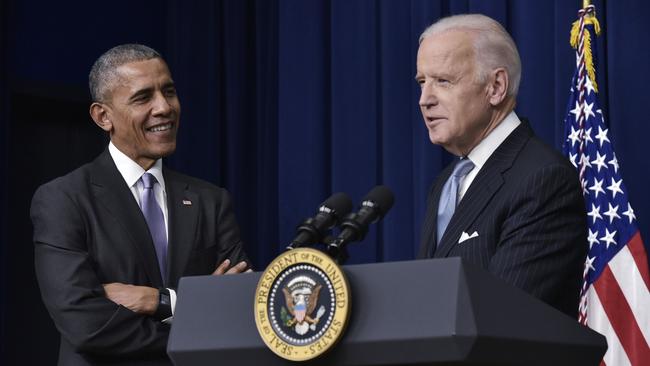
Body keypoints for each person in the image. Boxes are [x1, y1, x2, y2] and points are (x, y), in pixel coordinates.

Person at [31, 44, 251, 365]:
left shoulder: (211, 201)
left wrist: (157, 301)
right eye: (143, 97)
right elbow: (86, 326)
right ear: (103, 116)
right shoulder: (64, 199)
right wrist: (194, 316)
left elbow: (238, 307)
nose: (164, 107)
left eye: (169, 92)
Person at [415, 14, 587, 317]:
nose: (424, 99)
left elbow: (503, 316)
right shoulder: (446, 182)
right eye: (422, 82)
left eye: (443, 81)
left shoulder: (543, 179)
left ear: (495, 87)